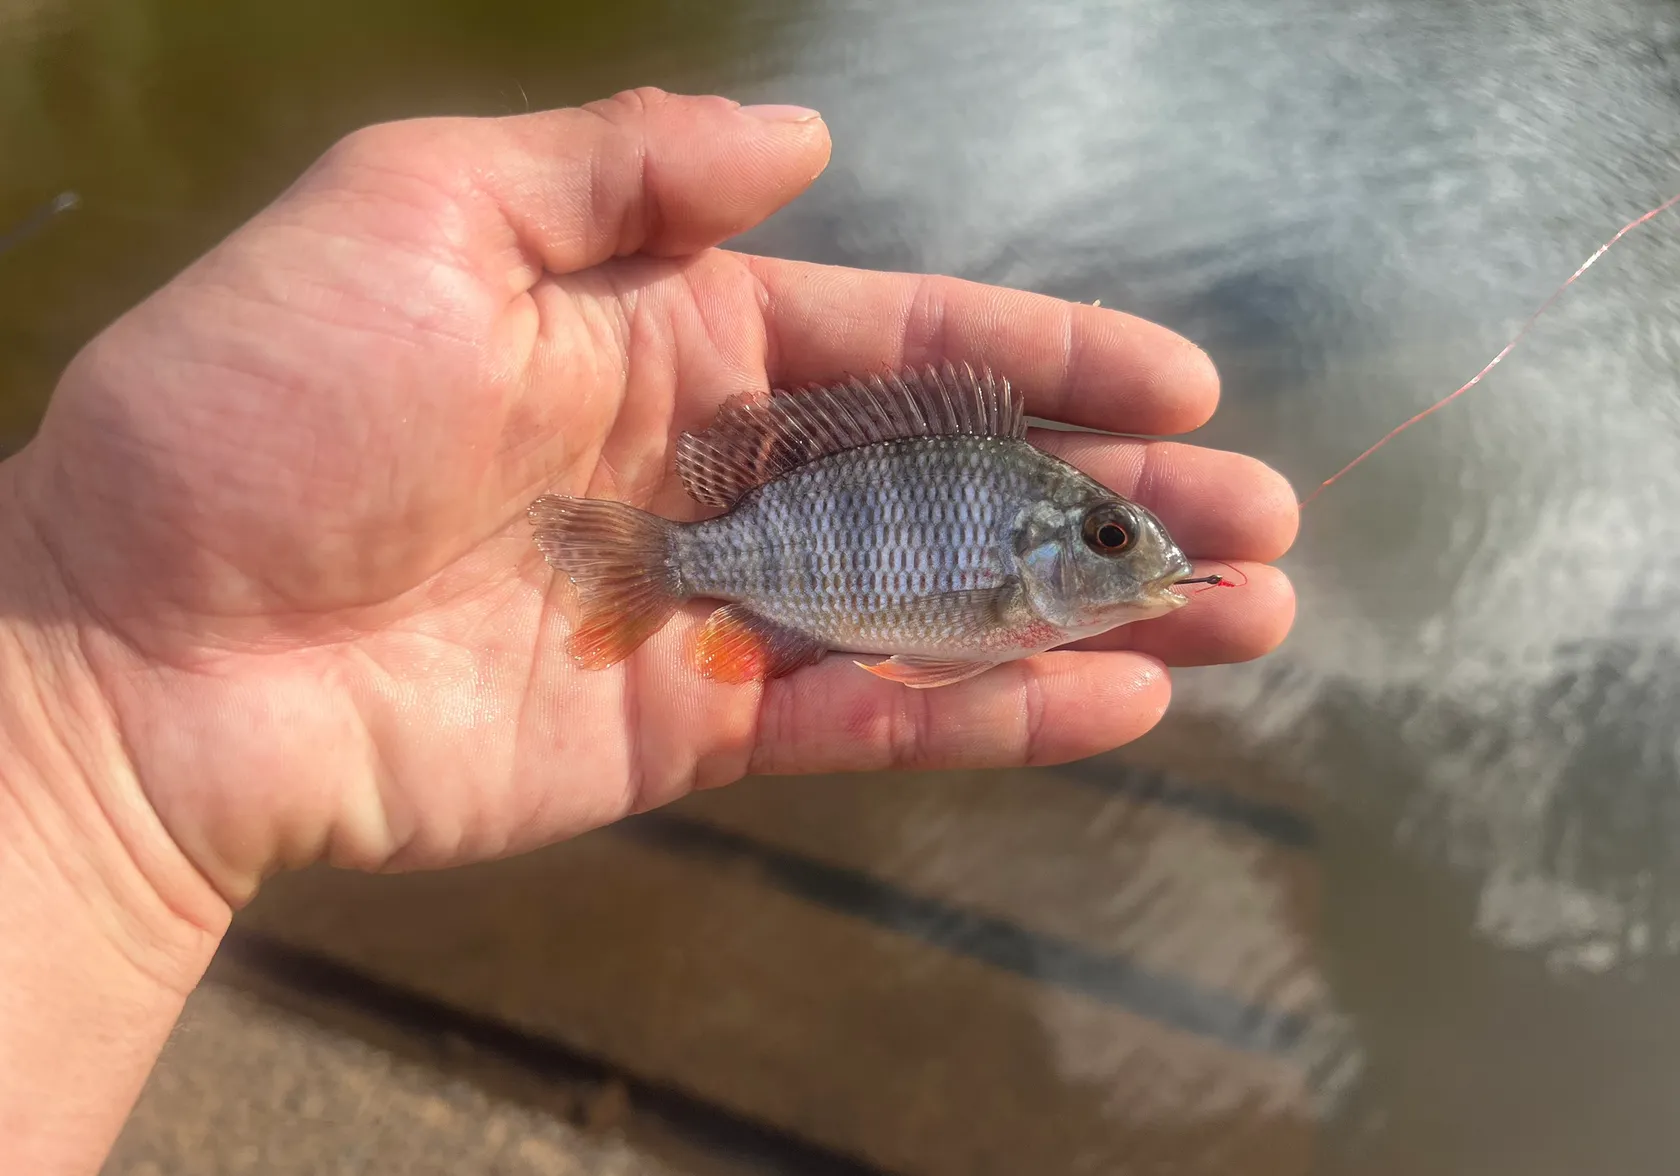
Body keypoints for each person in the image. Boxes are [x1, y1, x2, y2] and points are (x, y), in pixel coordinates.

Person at [0, 88, 1298, 1173]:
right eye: (1116, 542)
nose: (1138, 562)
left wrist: (93, 716)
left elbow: (936, 641)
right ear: (1049, 550)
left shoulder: (1013, 569)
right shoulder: (1001, 570)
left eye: (1125, 546)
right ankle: (665, 571)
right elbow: (936, 636)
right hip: (746, 563)